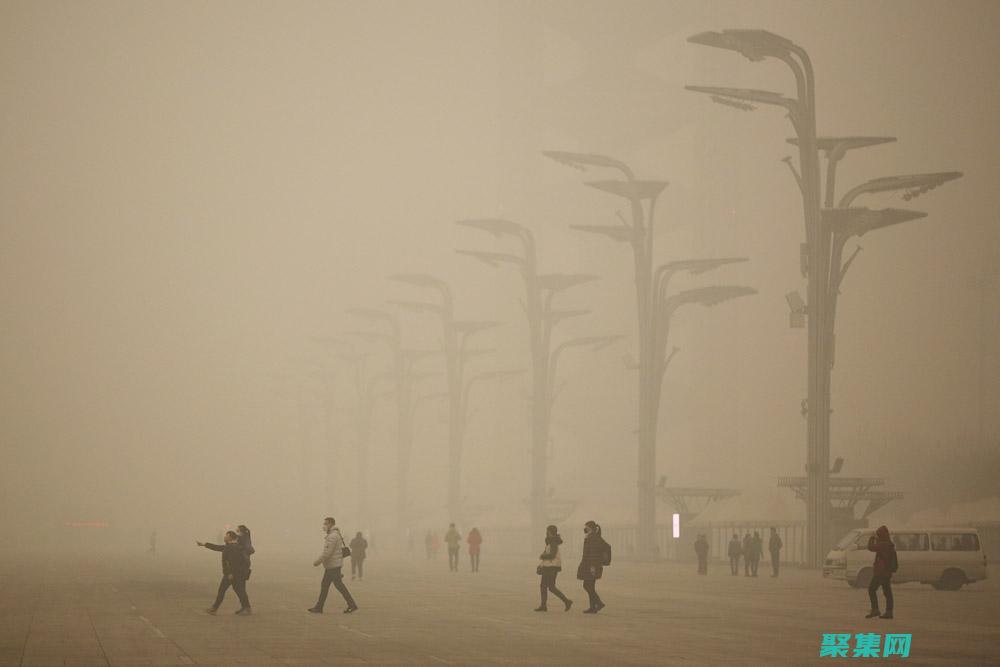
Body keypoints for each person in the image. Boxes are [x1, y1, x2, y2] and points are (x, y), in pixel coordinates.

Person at [308, 517, 358, 614]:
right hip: (334, 564)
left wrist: (317, 562)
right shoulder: (334, 535)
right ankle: (320, 607)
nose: (324, 526)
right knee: (334, 585)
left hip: (333, 565)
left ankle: (320, 607)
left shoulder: (332, 536)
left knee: (329, 586)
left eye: (326, 524)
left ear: (331, 524)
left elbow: (328, 552)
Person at [198, 531, 252, 615]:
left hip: (231, 574)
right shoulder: (235, 547)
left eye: (226, 536)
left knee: (222, 590)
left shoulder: (231, 548)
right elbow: (217, 547)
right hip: (240, 574)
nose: (224, 537)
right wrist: (204, 544)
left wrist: (230, 573)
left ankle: (214, 609)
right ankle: (246, 608)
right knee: (240, 591)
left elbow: (232, 562)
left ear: (230, 537)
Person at [535, 524, 572, 612]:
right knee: (546, 586)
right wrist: (541, 564)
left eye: (547, 531)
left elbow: (552, 555)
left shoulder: (553, 542)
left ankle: (566, 601)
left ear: (550, 532)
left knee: (549, 586)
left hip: (551, 567)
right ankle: (544, 605)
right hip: (549, 566)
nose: (546, 533)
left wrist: (542, 556)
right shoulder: (550, 541)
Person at [577, 520, 609, 614]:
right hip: (590, 565)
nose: (584, 529)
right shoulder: (593, 537)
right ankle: (593, 607)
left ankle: (598, 603)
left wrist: (593, 567)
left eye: (586, 527)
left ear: (590, 528)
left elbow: (593, 554)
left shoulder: (593, 538)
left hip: (591, 566)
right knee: (590, 586)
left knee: (587, 585)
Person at [865, 525, 896, 619]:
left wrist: (872, 538)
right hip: (886, 572)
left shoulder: (883, 545)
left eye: (878, 534)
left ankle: (875, 610)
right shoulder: (888, 543)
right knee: (887, 592)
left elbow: (870, 547)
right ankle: (889, 612)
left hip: (880, 573)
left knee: (872, 589)